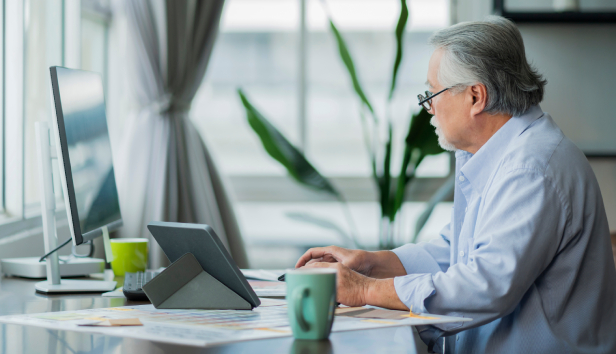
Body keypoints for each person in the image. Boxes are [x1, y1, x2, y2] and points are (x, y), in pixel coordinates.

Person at [295, 16, 616, 353]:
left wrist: (363, 290)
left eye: (433, 92)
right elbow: (457, 253)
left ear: (476, 96)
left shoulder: (530, 170)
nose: (429, 107)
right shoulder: (501, 154)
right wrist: (371, 263)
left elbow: (485, 286)